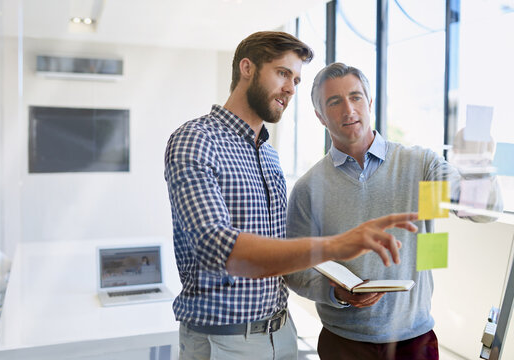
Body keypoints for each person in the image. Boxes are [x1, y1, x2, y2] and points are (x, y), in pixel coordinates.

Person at [164, 33, 419, 360]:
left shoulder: (269, 155)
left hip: (282, 333)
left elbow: (280, 253)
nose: (291, 88)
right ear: (247, 68)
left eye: (296, 80)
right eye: (283, 73)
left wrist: (336, 289)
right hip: (223, 342)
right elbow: (217, 247)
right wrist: (339, 244)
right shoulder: (196, 139)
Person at [285, 62, 503, 360]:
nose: (348, 109)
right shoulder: (309, 188)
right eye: (334, 102)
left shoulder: (420, 166)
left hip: (414, 341)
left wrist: (478, 166)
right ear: (320, 116)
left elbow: (481, 211)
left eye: (356, 97)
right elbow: (295, 269)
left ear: (369, 102)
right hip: (343, 342)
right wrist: (337, 294)